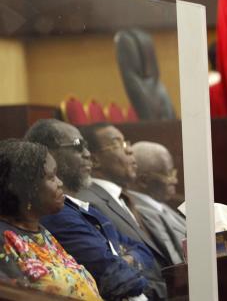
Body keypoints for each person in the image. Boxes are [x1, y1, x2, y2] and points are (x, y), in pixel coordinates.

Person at [25, 119, 165, 301]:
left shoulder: (87, 209)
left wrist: (124, 261)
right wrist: (125, 260)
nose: (87, 154)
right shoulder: (56, 214)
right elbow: (117, 278)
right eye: (78, 146)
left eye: (87, 146)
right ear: (48, 153)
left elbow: (142, 251)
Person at [0, 139, 102, 300]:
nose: (60, 183)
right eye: (51, 177)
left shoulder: (40, 231)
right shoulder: (4, 239)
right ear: (25, 188)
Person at [78, 123, 184, 266]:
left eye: (126, 143)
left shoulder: (125, 199)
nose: (129, 151)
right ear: (94, 160)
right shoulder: (89, 204)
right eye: (118, 144)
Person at [130, 141, 186, 255]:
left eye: (173, 172)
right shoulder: (138, 213)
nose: (175, 180)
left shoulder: (160, 204)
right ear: (144, 181)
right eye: (168, 174)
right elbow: (175, 260)